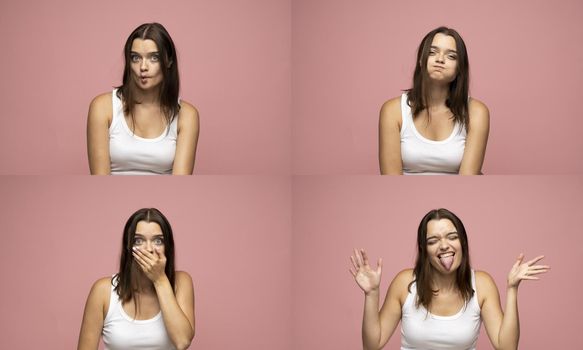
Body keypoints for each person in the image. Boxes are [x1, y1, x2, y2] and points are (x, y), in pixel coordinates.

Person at [350, 208, 549, 350]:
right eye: (433, 241)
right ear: (424, 250)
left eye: (452, 237)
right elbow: (372, 345)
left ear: (462, 242)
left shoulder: (482, 284)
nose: (444, 245)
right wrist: (372, 294)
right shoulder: (405, 283)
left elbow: (506, 347)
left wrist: (512, 289)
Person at [87, 23, 199, 175]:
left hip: (165, 198)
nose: (143, 67)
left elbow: (179, 186)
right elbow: (99, 184)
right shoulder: (102, 107)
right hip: (111, 198)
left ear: (169, 61)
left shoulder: (187, 115)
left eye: (154, 57)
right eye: (135, 58)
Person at [78, 208, 195, 350]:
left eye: (158, 241)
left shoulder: (181, 283)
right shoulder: (103, 291)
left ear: (167, 247)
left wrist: (160, 280)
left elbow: (182, 341)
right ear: (128, 247)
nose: (149, 249)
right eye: (138, 240)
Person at [379, 27, 489, 175]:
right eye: (432, 52)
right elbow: (391, 183)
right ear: (420, 60)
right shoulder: (393, 110)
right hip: (403, 197)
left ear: (459, 69)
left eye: (451, 56)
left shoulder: (476, 112)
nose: (440, 59)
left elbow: (467, 183)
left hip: (459, 197)